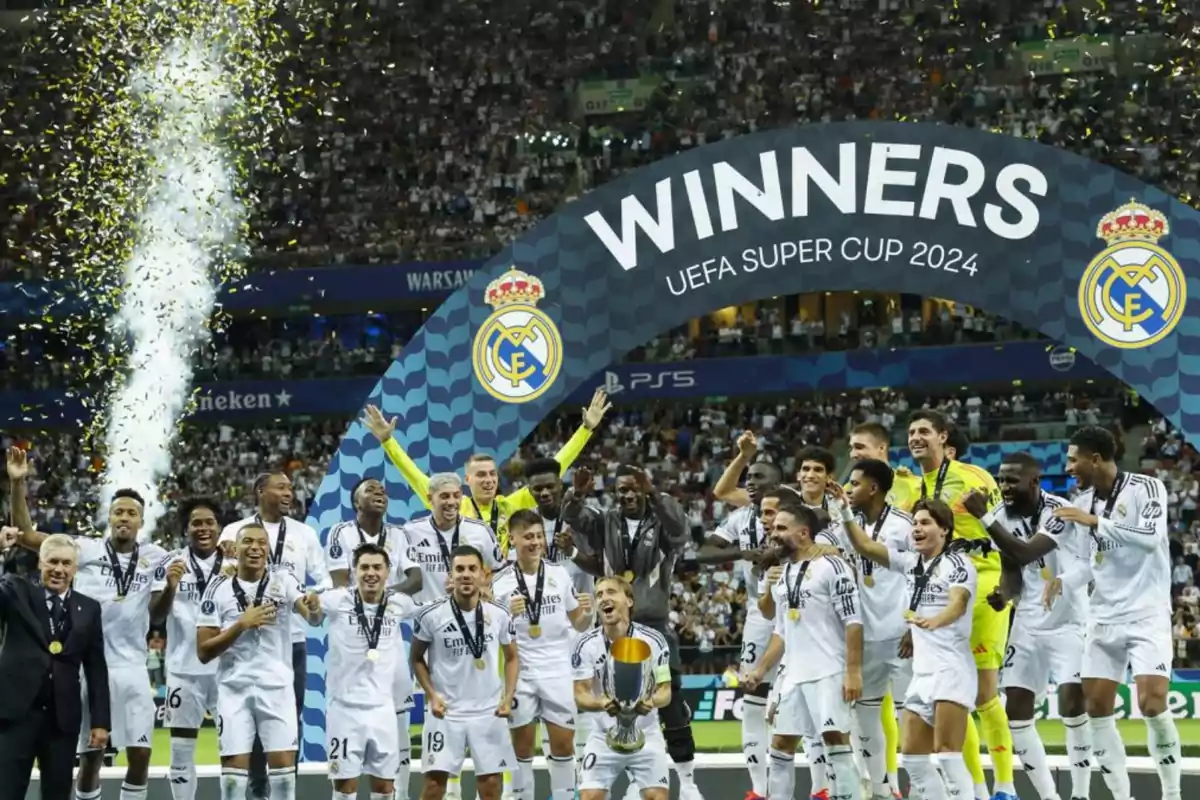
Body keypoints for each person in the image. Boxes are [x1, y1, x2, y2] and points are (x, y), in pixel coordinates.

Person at [8, 446, 171, 800]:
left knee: (141, 754)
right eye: (118, 512)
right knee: (91, 756)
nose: (124, 518)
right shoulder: (82, 550)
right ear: (109, 518)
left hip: (132, 667)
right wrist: (18, 484)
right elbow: (24, 534)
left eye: (131, 513)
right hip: (84, 667)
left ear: (141, 521)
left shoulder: (156, 557)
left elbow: (163, 608)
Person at [1051, 425, 1180, 800]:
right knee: (1096, 708)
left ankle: (1172, 794)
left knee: (1152, 704)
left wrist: (1097, 522)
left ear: (1095, 458)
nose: (1069, 466)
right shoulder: (1085, 500)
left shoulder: (1146, 487)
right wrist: (1062, 580)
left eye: (1074, 459)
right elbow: (1091, 563)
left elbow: (1151, 538)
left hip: (1146, 613)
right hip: (1103, 617)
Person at [562, 465, 704, 800]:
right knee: (611, 697)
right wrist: (579, 492)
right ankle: (618, 768)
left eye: (634, 489)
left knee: (671, 704)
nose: (626, 495)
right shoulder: (606, 520)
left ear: (644, 490)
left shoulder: (661, 520)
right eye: (621, 489)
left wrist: (654, 492)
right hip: (611, 629)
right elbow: (572, 517)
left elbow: (681, 530)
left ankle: (687, 780)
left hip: (653, 625)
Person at [960, 452, 1092, 800]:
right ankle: (1049, 797)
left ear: (1034, 482)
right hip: (1029, 622)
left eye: (1011, 480)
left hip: (1068, 620)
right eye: (1000, 479)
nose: (1003, 486)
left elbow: (1027, 552)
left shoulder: (1058, 511)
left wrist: (984, 518)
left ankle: (1080, 793)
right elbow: (1013, 569)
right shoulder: (1001, 515)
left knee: (1071, 702)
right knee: (1016, 710)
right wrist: (1005, 595)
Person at [905, 410, 1015, 800]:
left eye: (924, 432)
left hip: (983, 582)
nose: (916, 438)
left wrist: (1008, 585)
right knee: (953, 697)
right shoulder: (915, 484)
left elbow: (1006, 534)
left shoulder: (973, 477)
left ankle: (1006, 787)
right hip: (939, 586)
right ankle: (976, 790)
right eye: (911, 432)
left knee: (984, 693)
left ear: (942, 437)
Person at [842, 498, 978, 800]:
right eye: (915, 523)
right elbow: (864, 546)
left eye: (926, 523)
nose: (917, 528)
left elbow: (958, 603)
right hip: (922, 674)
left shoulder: (959, 564)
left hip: (951, 670)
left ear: (944, 530)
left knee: (947, 754)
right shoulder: (909, 562)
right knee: (913, 759)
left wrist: (934, 621)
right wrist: (844, 510)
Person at [362, 388, 611, 553]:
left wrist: (586, 429)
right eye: (481, 475)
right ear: (467, 479)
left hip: (503, 587)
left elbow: (555, 468)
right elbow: (412, 474)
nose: (489, 479)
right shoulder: (452, 504)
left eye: (492, 474)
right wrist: (388, 441)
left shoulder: (508, 505)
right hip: (462, 583)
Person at [218, 470, 331, 797]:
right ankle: (256, 791)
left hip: (289, 640)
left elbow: (321, 580)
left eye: (290, 487)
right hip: (240, 641)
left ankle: (282, 791)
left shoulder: (304, 533)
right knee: (244, 724)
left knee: (286, 723)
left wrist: (312, 596)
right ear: (260, 491)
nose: (289, 493)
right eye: (281, 487)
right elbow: (216, 582)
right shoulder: (233, 531)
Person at [744, 502, 863, 800]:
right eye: (772, 529)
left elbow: (854, 621)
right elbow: (781, 632)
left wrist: (852, 671)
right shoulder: (783, 575)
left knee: (835, 741)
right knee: (781, 746)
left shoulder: (832, 567)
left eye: (781, 529)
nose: (774, 534)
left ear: (804, 533)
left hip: (830, 670)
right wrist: (760, 669)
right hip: (794, 675)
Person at [196, 523, 323, 800]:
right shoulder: (216, 589)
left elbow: (312, 617)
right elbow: (204, 652)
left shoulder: (284, 581)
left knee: (284, 780)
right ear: (236, 548)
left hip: (277, 690)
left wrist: (314, 609)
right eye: (248, 542)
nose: (255, 548)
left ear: (268, 549)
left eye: (261, 543)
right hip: (233, 692)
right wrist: (240, 625)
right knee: (232, 780)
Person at [326, 477, 424, 800]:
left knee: (398, 734)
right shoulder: (342, 533)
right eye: (371, 490)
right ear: (357, 502)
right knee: (347, 773)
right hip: (355, 638)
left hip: (389, 642)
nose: (380, 494)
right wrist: (368, 598)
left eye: (383, 491)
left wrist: (384, 597)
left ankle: (402, 794)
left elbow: (416, 578)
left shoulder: (398, 534)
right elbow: (340, 584)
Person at [699, 430, 782, 800]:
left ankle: (824, 785)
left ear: (779, 484)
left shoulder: (800, 513)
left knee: (808, 703)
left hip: (802, 615)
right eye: (748, 479)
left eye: (758, 478)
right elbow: (705, 552)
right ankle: (759, 790)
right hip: (759, 616)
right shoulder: (742, 518)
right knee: (752, 694)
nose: (750, 483)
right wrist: (745, 554)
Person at [491, 510, 595, 800]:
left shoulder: (559, 575)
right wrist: (503, 613)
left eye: (538, 536)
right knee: (521, 749)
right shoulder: (499, 583)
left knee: (563, 746)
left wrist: (590, 611)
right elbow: (489, 632)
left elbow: (579, 623)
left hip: (557, 671)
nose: (535, 542)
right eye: (527, 537)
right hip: (520, 675)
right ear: (512, 539)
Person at [0, 531, 110, 800]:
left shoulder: (90, 608)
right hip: (17, 715)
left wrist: (100, 722)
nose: (58, 569)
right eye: (52, 562)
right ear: (40, 563)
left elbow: (96, 668)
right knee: (6, 791)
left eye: (65, 563)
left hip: (62, 719)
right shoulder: (17, 591)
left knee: (58, 794)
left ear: (75, 568)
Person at [830, 460, 915, 800]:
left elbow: (921, 572)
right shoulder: (844, 526)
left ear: (874, 488)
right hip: (865, 636)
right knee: (867, 721)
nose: (849, 489)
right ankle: (882, 790)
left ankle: (922, 788)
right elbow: (827, 548)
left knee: (913, 720)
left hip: (902, 635)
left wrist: (914, 623)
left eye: (854, 484)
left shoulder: (905, 525)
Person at [411, 545, 519, 800]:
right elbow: (415, 658)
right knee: (434, 786)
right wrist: (432, 695)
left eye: (472, 569)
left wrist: (507, 697)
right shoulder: (431, 615)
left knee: (491, 785)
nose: (466, 574)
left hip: (488, 711)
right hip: (446, 712)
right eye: (459, 569)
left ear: (483, 575)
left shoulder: (500, 614)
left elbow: (513, 657)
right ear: (450, 576)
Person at [571, 576, 673, 800]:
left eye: (611, 592)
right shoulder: (585, 644)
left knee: (658, 797)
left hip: (646, 733)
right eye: (599, 595)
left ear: (629, 600)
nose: (604, 598)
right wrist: (599, 703)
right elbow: (580, 693)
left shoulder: (654, 640)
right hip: (603, 735)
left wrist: (652, 701)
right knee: (589, 797)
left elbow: (665, 691)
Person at [155, 497, 227, 800]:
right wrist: (170, 587)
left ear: (219, 527)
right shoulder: (171, 563)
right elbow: (156, 616)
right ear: (186, 529)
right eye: (196, 522)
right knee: (181, 754)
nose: (203, 528)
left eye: (209, 522)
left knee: (234, 753)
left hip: (228, 673)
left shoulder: (235, 564)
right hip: (184, 672)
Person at [403, 473, 504, 603]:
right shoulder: (411, 532)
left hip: (471, 617)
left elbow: (501, 573)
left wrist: (482, 588)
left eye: (456, 496)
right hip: (427, 619)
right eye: (444, 496)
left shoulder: (480, 530)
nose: (451, 502)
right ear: (429, 499)